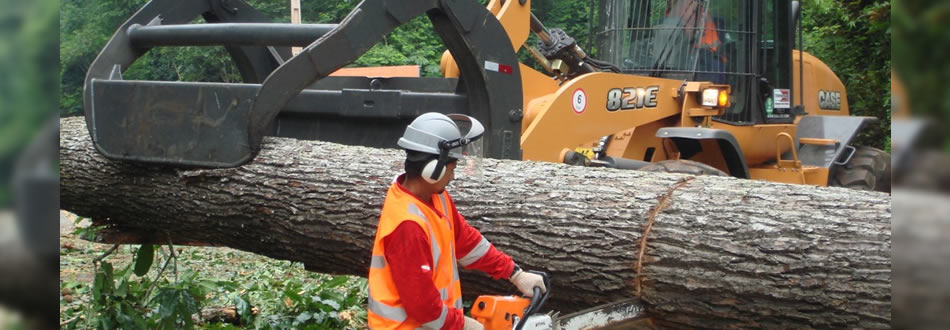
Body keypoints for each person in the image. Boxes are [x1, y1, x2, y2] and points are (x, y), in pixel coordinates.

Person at [367, 113, 547, 330]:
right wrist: (462, 324)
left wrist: (515, 273)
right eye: (452, 168)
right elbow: (422, 305)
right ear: (433, 169)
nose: (453, 176)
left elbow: (467, 243)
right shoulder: (407, 225)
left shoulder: (434, 196)